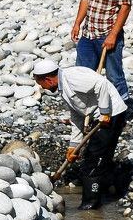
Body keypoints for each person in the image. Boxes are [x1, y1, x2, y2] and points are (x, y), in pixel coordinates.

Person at [32, 59, 127, 210]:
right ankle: (110, 188)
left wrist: (104, 111)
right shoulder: (63, 87)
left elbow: (101, 83)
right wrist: (73, 146)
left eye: (40, 83)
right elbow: (77, 116)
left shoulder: (72, 78)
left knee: (92, 161)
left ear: (48, 79)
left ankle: (90, 206)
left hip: (111, 114)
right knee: (99, 156)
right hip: (100, 115)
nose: (41, 87)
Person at [70, 0, 132, 101]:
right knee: (83, 75)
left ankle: (120, 113)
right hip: (88, 34)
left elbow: (125, 8)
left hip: (107, 35)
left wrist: (113, 35)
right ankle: (85, 112)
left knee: (114, 76)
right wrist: (77, 23)